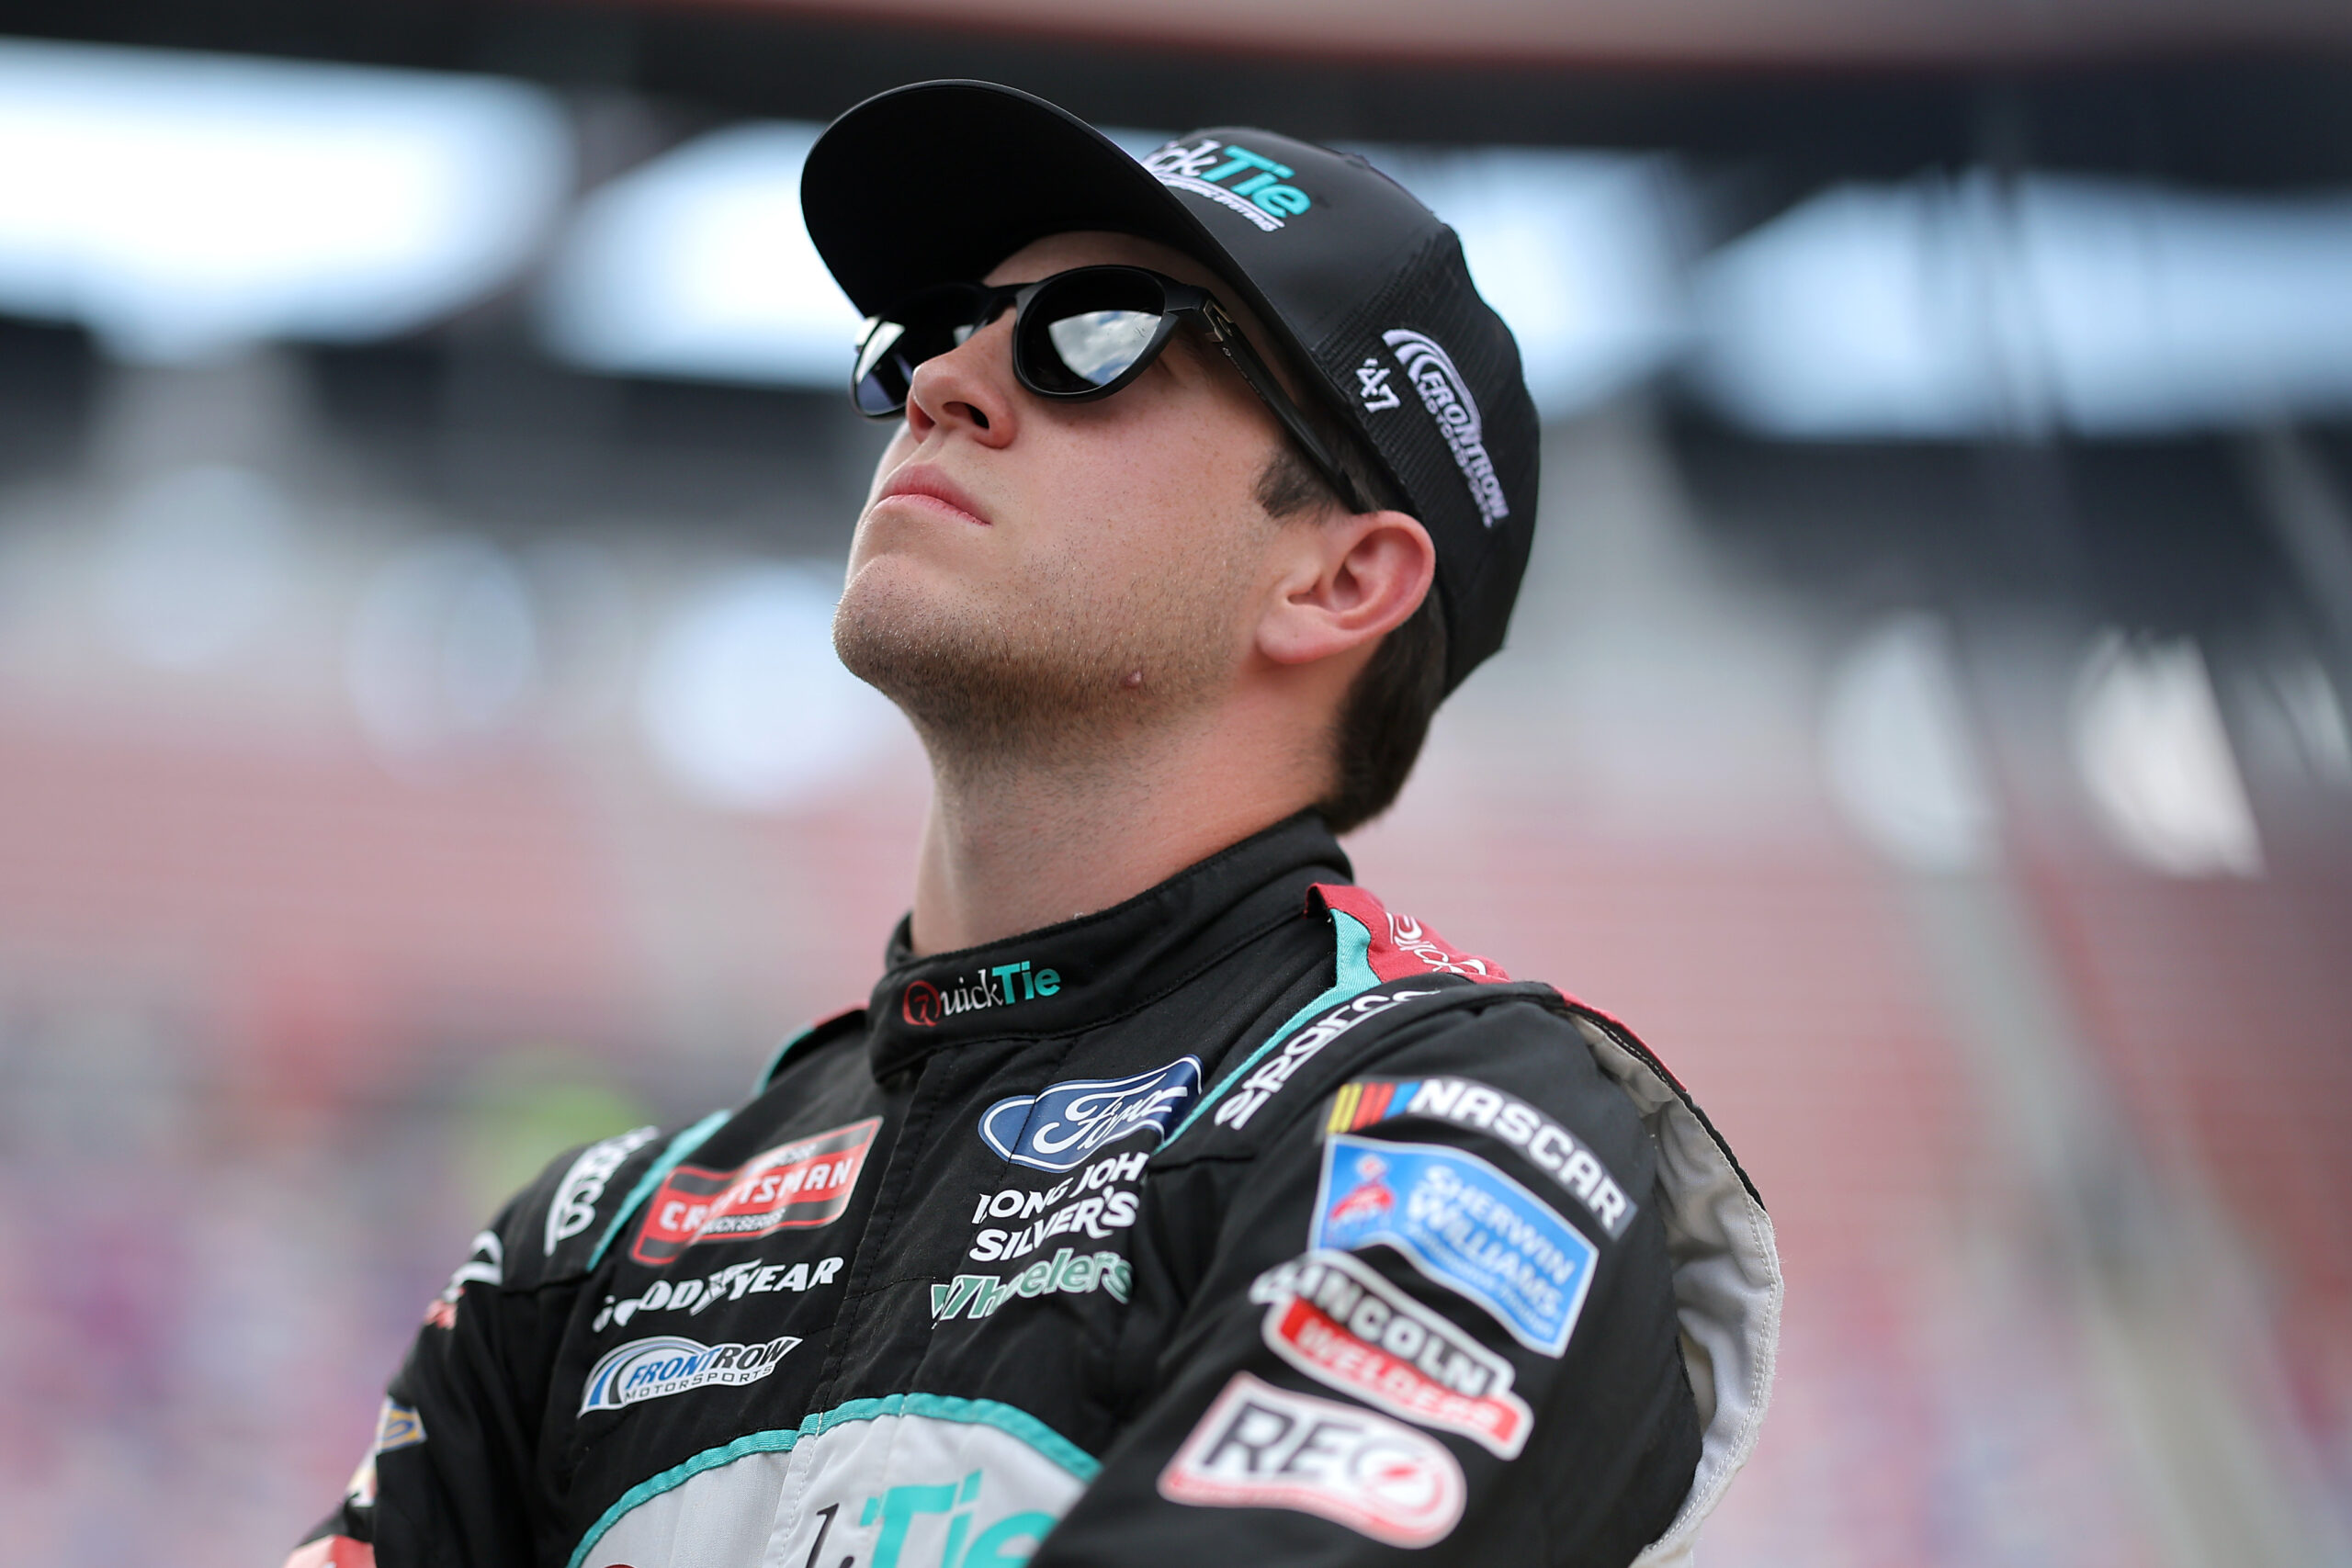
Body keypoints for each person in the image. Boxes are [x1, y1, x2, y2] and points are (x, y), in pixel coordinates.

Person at [287, 81, 1781, 1568]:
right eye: (941, 327)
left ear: (1337, 581)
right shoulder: (587, 1246)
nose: (945, 386)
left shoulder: (1459, 1127)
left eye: (1097, 337)